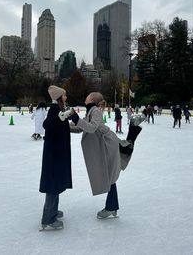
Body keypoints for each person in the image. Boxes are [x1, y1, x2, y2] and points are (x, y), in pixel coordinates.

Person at [68, 92, 143, 219]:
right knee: (110, 177)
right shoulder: (91, 111)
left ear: (91, 99)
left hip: (107, 145)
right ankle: (112, 207)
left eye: (87, 96)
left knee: (110, 177)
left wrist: (75, 118)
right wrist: (65, 126)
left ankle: (111, 207)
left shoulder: (95, 110)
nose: (85, 98)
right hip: (105, 145)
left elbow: (91, 128)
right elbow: (81, 128)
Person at [39, 85, 72, 231]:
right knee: (52, 185)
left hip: (58, 153)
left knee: (56, 182)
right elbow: (46, 124)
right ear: (58, 97)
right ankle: (48, 218)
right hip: (53, 155)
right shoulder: (54, 110)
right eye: (64, 96)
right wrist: (59, 118)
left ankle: (53, 211)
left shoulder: (60, 109)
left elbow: (61, 127)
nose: (66, 97)